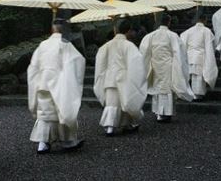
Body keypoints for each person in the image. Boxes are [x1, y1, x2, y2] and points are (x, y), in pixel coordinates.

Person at [27, 18, 85, 153]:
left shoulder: (42, 45)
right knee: (62, 111)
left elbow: (34, 66)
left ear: (51, 29)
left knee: (45, 114)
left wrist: (36, 81)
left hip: (43, 83)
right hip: (60, 83)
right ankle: (67, 141)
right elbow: (76, 62)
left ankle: (43, 143)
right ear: (63, 30)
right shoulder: (65, 44)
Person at [93, 19, 147, 135]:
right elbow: (136, 62)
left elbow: (100, 62)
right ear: (128, 31)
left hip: (109, 78)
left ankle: (110, 127)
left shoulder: (106, 45)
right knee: (124, 102)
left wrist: (101, 76)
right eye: (132, 31)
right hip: (124, 78)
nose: (133, 33)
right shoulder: (129, 45)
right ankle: (125, 124)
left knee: (112, 103)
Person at [139, 13, 195, 122]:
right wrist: (179, 67)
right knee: (167, 89)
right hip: (168, 66)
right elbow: (179, 53)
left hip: (155, 65)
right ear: (169, 22)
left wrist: (146, 65)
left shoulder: (150, 36)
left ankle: (158, 113)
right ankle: (166, 113)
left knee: (158, 88)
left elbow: (144, 52)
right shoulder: (173, 36)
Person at [180, 15, 218, 100]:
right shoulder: (206, 31)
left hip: (190, 56)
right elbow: (211, 44)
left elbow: (182, 41)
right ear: (204, 20)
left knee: (193, 75)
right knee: (198, 76)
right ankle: (197, 94)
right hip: (200, 56)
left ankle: (193, 93)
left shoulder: (188, 31)